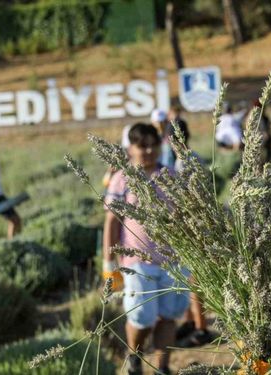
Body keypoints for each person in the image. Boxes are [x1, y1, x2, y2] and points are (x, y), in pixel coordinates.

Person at [103, 123, 189, 375]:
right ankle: (135, 357)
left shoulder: (171, 176)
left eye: (154, 144)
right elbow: (111, 221)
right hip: (136, 261)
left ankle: (162, 366)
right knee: (142, 316)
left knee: (169, 315)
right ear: (131, 148)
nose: (149, 150)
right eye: (143, 146)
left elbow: (186, 216)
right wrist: (108, 263)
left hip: (173, 260)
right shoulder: (122, 179)